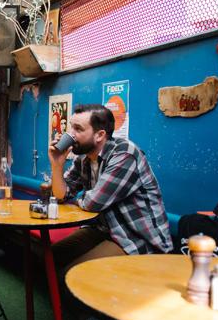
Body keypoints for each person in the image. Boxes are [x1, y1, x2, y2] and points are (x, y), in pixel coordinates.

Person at [49, 104, 172, 271]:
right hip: (102, 230)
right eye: (71, 127)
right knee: (50, 257)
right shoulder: (83, 159)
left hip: (137, 239)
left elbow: (93, 202)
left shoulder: (124, 154)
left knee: (74, 275)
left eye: (78, 129)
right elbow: (60, 196)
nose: (70, 134)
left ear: (100, 135)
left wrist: (78, 199)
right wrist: (56, 164)